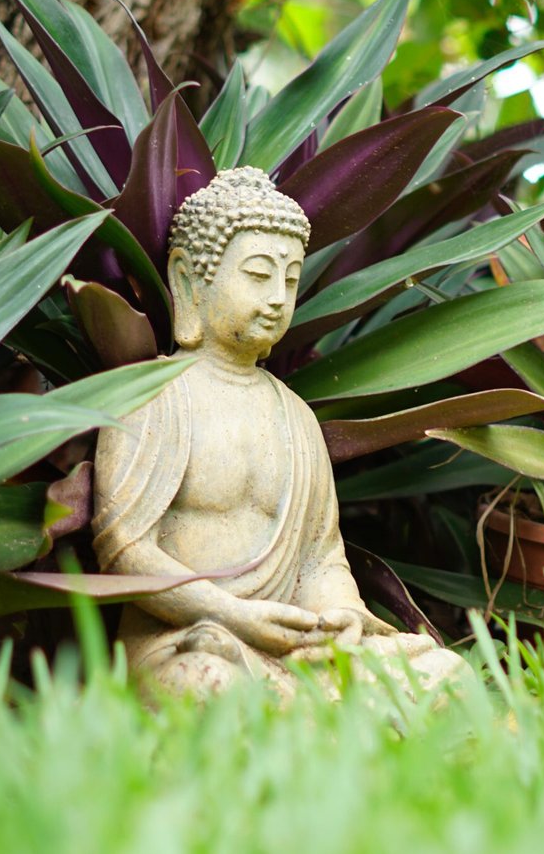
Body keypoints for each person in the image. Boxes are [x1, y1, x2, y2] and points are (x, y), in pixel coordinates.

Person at [92, 167, 469, 699]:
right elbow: (124, 551)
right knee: (205, 685)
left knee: (443, 674)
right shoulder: (152, 397)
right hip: (189, 641)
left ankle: (311, 715)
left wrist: (338, 616)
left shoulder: (294, 417)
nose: (276, 297)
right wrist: (232, 616)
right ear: (187, 279)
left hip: (293, 649)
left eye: (289, 280)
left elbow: (321, 557)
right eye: (257, 274)